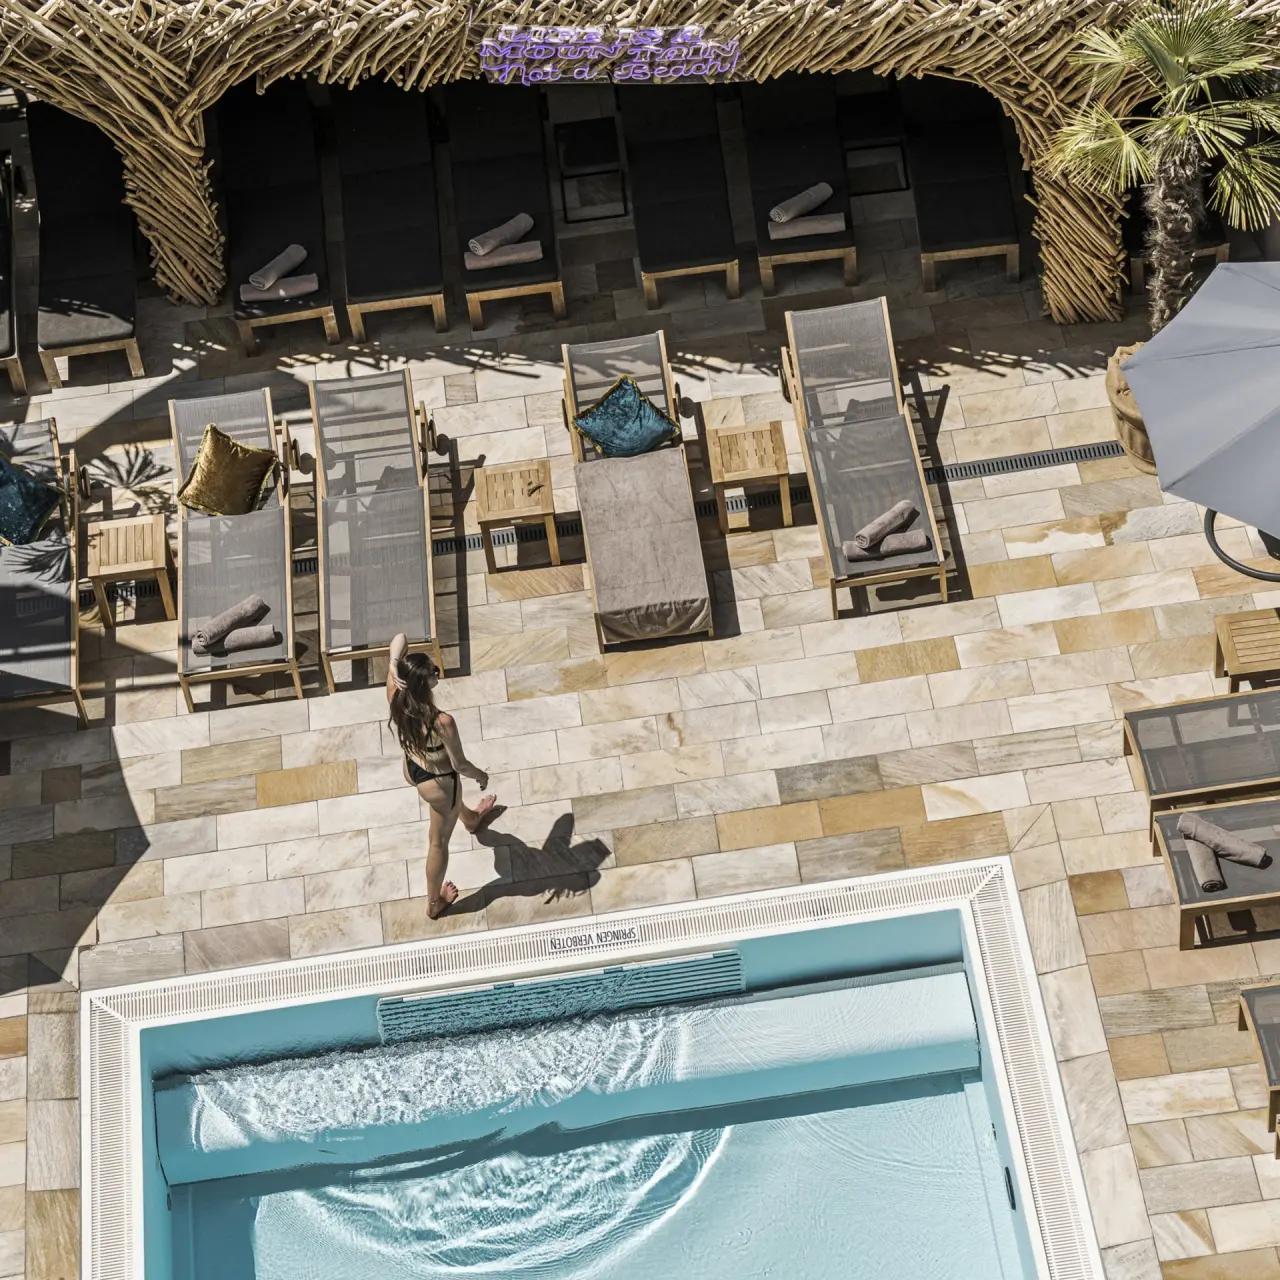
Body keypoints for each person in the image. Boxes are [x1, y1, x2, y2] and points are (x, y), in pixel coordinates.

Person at [385, 633, 495, 918]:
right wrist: (481, 775)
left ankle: (471, 819)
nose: (437, 672)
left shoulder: (396, 695)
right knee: (438, 842)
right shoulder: (441, 721)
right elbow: (459, 765)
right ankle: (434, 902)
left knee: (449, 808)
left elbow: (400, 638)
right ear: (425, 684)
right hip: (439, 781)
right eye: (434, 671)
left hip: (414, 768)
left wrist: (393, 664)